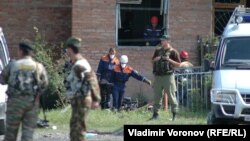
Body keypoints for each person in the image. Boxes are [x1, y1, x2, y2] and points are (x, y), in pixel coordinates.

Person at [0, 39, 48, 141]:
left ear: (21, 51)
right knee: (27, 135)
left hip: (14, 104)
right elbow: (44, 84)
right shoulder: (38, 67)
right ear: (31, 52)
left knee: (10, 135)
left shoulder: (13, 65)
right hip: (31, 104)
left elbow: (2, 80)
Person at [64, 37, 101, 141]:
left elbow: (92, 79)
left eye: (67, 49)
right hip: (78, 100)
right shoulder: (76, 63)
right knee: (75, 129)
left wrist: (96, 99)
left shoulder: (80, 64)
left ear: (70, 50)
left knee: (78, 130)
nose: (66, 52)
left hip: (82, 100)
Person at [151, 34, 181, 121]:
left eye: (164, 40)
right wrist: (155, 59)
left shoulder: (173, 51)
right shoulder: (157, 50)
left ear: (168, 41)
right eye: (161, 40)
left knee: (171, 95)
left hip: (168, 76)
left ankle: (174, 115)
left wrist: (169, 60)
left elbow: (179, 64)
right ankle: (155, 115)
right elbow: (152, 61)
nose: (162, 41)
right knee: (157, 96)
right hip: (158, 76)